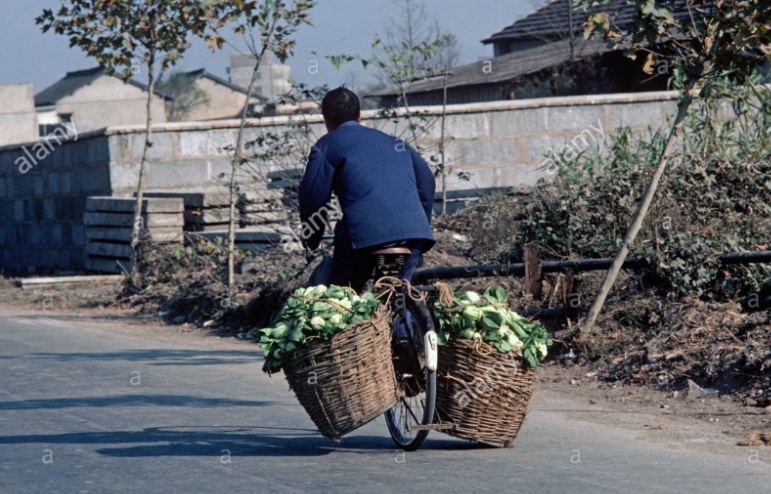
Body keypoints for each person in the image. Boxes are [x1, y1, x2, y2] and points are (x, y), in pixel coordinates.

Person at [298, 86, 435, 292]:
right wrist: (418, 223)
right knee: (395, 295)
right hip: (412, 236)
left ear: (326, 119)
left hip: (363, 238)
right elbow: (427, 184)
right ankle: (408, 320)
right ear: (360, 116)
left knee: (342, 298)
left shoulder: (325, 146)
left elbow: (313, 198)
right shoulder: (395, 143)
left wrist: (312, 238)